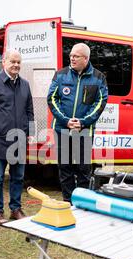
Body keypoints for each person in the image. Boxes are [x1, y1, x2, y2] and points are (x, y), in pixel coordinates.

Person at [47, 43, 108, 203]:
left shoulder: (99, 77)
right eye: (71, 55)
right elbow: (52, 99)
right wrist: (66, 121)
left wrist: (83, 122)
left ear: (86, 58)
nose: (72, 58)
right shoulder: (60, 75)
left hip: (84, 131)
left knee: (83, 169)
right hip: (62, 129)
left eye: (76, 56)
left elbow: (100, 103)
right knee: (65, 168)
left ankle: (82, 202)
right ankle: (68, 201)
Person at [0, 50, 34, 225]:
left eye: (19, 62)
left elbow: (30, 111)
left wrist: (31, 132)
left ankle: (15, 209)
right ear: (4, 62)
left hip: (19, 139)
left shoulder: (25, 85)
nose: (16, 65)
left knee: (18, 177)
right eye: (13, 61)